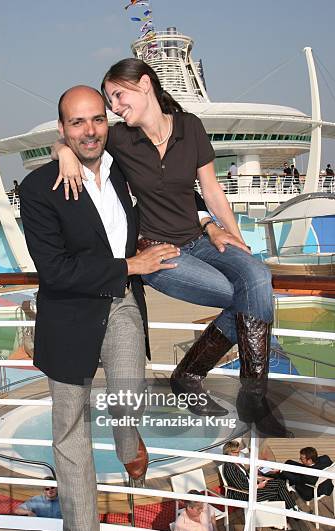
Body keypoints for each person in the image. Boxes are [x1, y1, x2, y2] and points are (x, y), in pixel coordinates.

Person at [52, 58, 278, 433]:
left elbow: (211, 190)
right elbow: (78, 136)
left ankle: (246, 393)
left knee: (257, 276)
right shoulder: (121, 138)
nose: (115, 107)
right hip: (157, 251)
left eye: (118, 95)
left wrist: (230, 234)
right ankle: (208, 382)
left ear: (144, 84)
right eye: (110, 101)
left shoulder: (191, 126)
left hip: (198, 239)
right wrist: (63, 152)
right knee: (242, 296)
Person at [19, 85, 179, 531]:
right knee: (69, 435)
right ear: (62, 128)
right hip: (70, 318)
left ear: (106, 122)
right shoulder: (38, 188)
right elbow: (56, 270)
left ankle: (129, 439)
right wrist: (131, 264)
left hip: (123, 304)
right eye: (76, 124)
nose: (88, 131)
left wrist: (210, 224)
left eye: (96, 120)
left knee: (130, 390)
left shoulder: (124, 168)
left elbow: (169, 188)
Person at [222, 440, 297, 509]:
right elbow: (240, 486)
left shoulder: (236, 463)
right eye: (236, 452)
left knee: (280, 483)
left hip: (252, 486)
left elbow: (246, 477)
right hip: (244, 494)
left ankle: (292, 509)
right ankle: (290, 512)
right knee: (276, 492)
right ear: (229, 453)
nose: (238, 454)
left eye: (238, 452)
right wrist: (258, 486)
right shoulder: (229, 467)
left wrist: (260, 480)